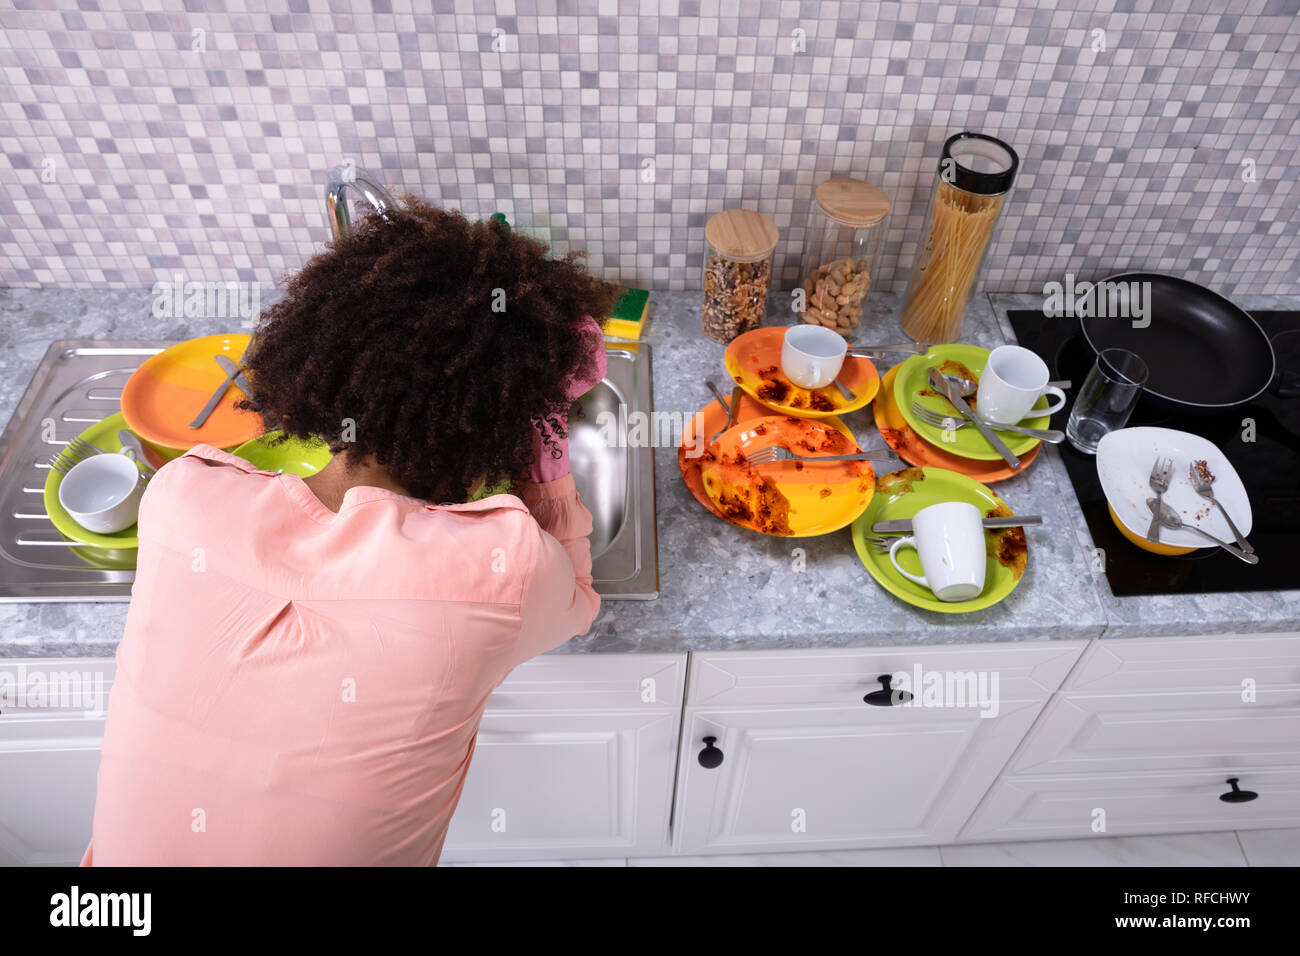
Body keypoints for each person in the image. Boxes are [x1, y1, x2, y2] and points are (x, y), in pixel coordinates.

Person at [82, 198, 616, 865]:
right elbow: (579, 605)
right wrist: (548, 443)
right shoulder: (503, 570)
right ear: (500, 430)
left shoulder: (181, 495)